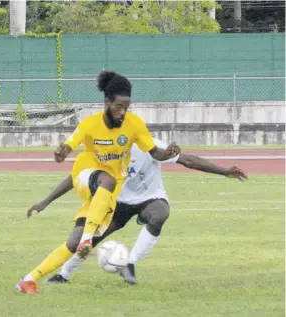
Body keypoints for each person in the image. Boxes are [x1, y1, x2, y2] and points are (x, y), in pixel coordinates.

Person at [17, 71, 181, 295]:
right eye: (118, 107)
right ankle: (88, 239)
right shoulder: (89, 124)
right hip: (86, 175)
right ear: (107, 102)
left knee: (73, 243)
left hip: (106, 193)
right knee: (107, 179)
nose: (123, 112)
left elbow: (156, 154)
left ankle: (28, 279)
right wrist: (61, 154)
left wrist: (167, 153)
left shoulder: (134, 125)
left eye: (126, 107)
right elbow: (68, 146)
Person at [26, 138, 248, 286]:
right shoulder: (104, 151)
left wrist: (224, 171)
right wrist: (45, 201)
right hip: (117, 201)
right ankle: (64, 274)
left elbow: (187, 160)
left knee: (159, 213)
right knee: (88, 239)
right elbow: (77, 177)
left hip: (149, 198)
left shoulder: (148, 145)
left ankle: (129, 264)